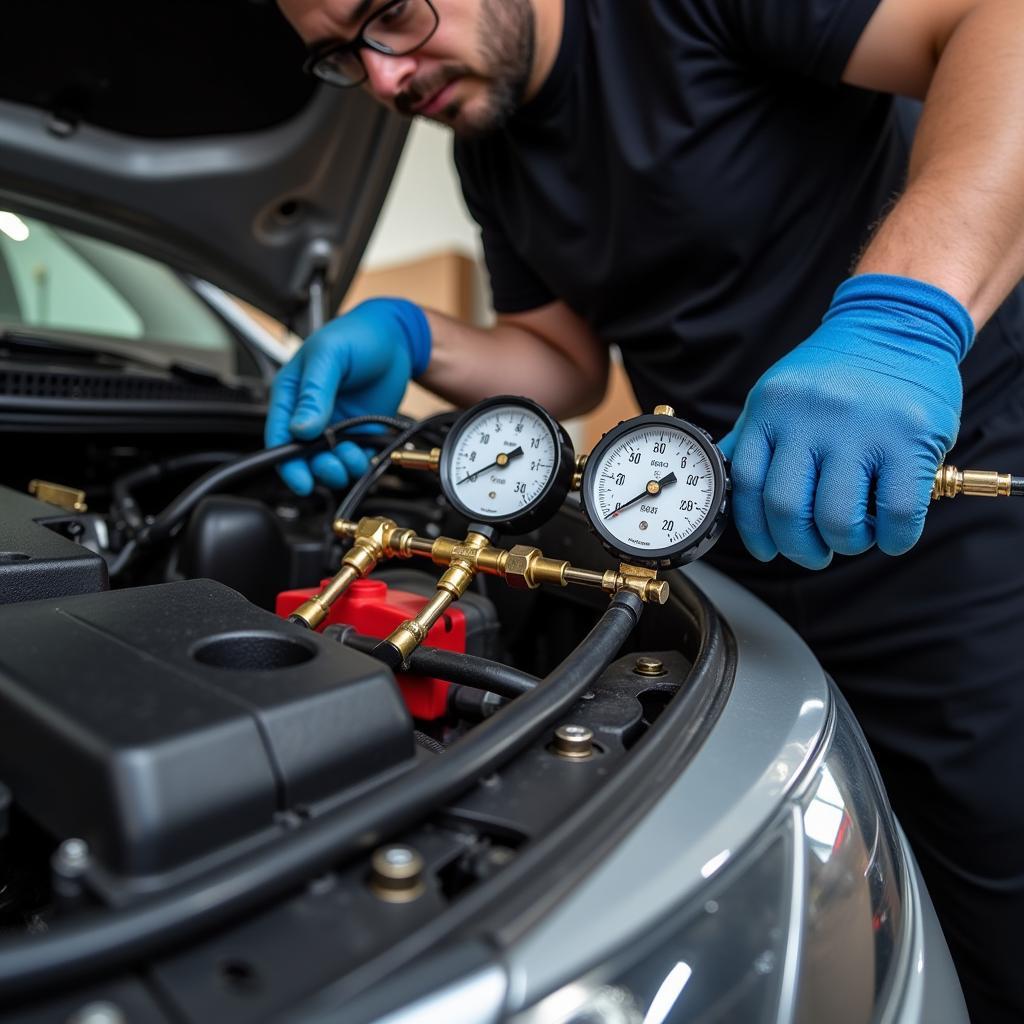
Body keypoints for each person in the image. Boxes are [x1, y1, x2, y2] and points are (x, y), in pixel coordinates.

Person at [267, 0, 1024, 1017]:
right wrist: (412, 337)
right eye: (339, 59)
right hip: (734, 554)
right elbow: (566, 362)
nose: (385, 82)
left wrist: (899, 318)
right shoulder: (489, 149)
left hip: (939, 521)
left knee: (988, 888)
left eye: (390, 17)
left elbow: (995, 24)